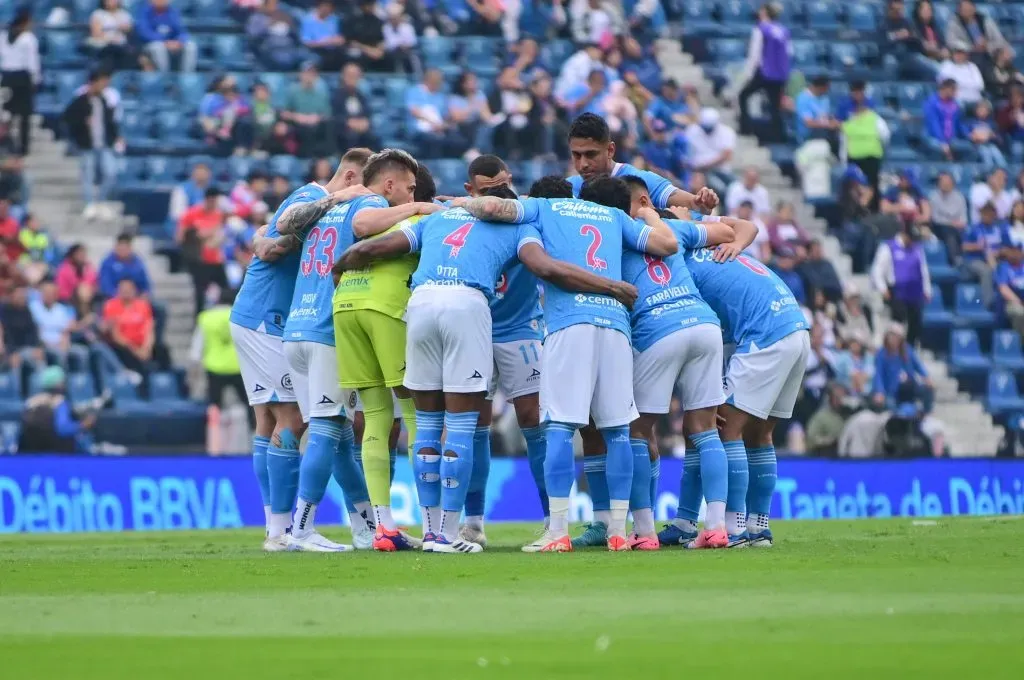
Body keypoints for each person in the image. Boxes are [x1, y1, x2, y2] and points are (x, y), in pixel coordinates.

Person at [453, 175, 678, 552]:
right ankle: (619, 533)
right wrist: (651, 214)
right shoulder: (613, 216)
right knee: (618, 431)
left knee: (558, 426)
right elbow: (665, 244)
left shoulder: (544, 207)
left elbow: (491, 207)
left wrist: (456, 204)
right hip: (616, 326)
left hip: (570, 323)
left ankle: (557, 531)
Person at [230, 149, 374, 550]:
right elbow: (271, 247)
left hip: (264, 317)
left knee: (270, 421)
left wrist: (261, 238)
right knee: (293, 419)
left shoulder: (309, 204)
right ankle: (283, 533)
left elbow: (265, 237)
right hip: (267, 319)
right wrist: (263, 242)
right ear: (349, 178)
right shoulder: (309, 198)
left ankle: (284, 528)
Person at [593, 177, 738, 549]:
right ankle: (717, 527)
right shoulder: (672, 227)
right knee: (705, 429)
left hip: (657, 329)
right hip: (703, 324)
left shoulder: (614, 237)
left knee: (639, 432)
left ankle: (644, 533)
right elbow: (724, 230)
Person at [277, 149, 399, 553]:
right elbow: (370, 229)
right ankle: (300, 529)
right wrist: (419, 207)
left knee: (342, 435)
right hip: (327, 330)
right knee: (328, 427)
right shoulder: (368, 203)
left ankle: (366, 527)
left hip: (296, 327)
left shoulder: (320, 210)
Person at [664, 227, 812, 548]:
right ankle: (759, 528)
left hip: (765, 334)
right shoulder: (709, 250)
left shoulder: (681, 268)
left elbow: (699, 328)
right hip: (795, 328)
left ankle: (732, 529)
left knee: (723, 429)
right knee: (760, 433)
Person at [327, 157, 444, 552]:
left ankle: (383, 528)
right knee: (415, 413)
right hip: (385, 307)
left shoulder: (354, 213)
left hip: (345, 305)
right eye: (410, 190)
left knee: (375, 416)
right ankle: (434, 526)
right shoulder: (416, 219)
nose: (413, 196)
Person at [443, 157, 548, 551]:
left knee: (534, 419)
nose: (497, 196)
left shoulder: (526, 217)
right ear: (471, 191)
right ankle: (473, 523)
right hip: (476, 329)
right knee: (474, 423)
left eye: (503, 185)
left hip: (521, 329)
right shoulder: (459, 219)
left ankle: (552, 521)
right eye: (488, 190)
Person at [565, 112, 718, 213]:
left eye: (591, 154)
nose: (583, 164)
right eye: (577, 155)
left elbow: (693, 204)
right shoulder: (568, 190)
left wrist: (703, 202)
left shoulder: (640, 181)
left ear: (610, 150)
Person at [191, 287, 247, 455]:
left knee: (215, 408)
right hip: (238, 367)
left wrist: (194, 369)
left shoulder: (206, 317)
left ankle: (214, 447)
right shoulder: (241, 316)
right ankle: (254, 441)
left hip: (214, 368)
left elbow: (196, 348)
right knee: (251, 407)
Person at [63, 69, 122, 221]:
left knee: (110, 172)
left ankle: (101, 202)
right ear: (93, 82)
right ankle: (89, 204)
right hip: (87, 144)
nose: (105, 85)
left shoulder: (103, 100)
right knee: (87, 174)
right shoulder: (80, 101)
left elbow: (110, 123)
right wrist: (83, 123)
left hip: (104, 144)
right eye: (102, 82)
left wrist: (117, 137)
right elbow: (67, 119)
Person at [736, 2, 791, 143]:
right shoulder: (783, 30)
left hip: (765, 72)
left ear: (765, 13)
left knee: (743, 95)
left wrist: (748, 74)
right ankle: (778, 136)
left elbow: (755, 54)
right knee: (775, 105)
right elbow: (789, 52)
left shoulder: (760, 29)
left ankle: (745, 128)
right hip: (780, 75)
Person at [871, 223, 932, 347]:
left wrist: (927, 289)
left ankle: (910, 348)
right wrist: (883, 289)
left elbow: (923, 270)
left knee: (915, 323)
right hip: (897, 291)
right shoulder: (889, 247)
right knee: (898, 324)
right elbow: (877, 270)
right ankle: (895, 348)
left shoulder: (917, 249)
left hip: (915, 291)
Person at [18, 366, 96, 453]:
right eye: (62, 382)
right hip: (56, 455)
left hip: (30, 454)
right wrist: (83, 425)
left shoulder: (30, 401)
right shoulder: (60, 402)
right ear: (58, 383)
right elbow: (62, 429)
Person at [101, 278, 169, 376]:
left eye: (129, 288)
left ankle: (166, 383)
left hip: (142, 345)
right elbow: (116, 336)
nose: (126, 291)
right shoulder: (111, 306)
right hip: (125, 346)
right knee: (129, 356)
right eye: (123, 289)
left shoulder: (143, 305)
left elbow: (149, 330)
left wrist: (147, 348)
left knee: (162, 350)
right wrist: (136, 350)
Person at [177, 187, 229, 315]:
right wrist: (202, 235)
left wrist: (207, 234)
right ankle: (198, 322)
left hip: (216, 259)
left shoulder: (219, 214)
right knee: (200, 294)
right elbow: (180, 237)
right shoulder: (192, 213)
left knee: (226, 290)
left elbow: (220, 235)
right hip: (199, 260)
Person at [0, 8, 40, 156]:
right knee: (24, 115)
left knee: (6, 114)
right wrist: (35, 80)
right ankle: (23, 147)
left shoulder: (3, 36)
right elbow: (32, 63)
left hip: (7, 77)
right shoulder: (28, 38)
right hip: (22, 77)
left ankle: (6, 143)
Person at [841, 81, 889, 199]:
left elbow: (885, 136)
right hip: (855, 159)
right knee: (855, 187)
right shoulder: (848, 123)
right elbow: (844, 143)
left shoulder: (875, 119)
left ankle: (872, 210)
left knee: (872, 186)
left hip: (871, 158)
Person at [872, 325, 933, 413]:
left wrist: (926, 377)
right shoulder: (882, 354)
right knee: (890, 406)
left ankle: (926, 414)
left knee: (927, 389)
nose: (893, 339)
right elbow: (878, 375)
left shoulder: (907, 350)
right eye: (891, 336)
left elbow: (918, 365)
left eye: (896, 336)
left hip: (909, 387)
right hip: (892, 390)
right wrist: (879, 391)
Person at [282, 61, 333, 157]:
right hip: (297, 125)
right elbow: (283, 112)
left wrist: (316, 118)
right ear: (301, 74)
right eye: (307, 73)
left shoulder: (321, 94)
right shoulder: (292, 91)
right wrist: (297, 117)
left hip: (316, 125)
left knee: (328, 127)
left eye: (313, 73)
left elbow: (327, 114)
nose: (310, 76)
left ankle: (326, 157)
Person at [961, 201, 1006, 308]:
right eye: (985, 214)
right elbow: (964, 247)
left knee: (1007, 268)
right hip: (974, 260)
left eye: (990, 214)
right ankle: (989, 303)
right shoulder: (973, 228)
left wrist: (998, 252)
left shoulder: (998, 229)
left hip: (995, 259)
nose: (987, 216)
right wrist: (977, 246)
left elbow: (1004, 247)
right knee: (986, 271)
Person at [405, 68, 457, 159]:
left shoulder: (441, 96)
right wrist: (433, 123)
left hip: (439, 129)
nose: (440, 83)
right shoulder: (414, 91)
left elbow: (446, 116)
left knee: (457, 139)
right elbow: (414, 111)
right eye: (437, 80)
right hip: (419, 131)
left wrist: (444, 125)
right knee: (433, 141)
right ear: (428, 79)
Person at [683, 108, 736, 196]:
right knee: (720, 188)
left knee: (734, 186)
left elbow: (727, 155)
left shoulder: (726, 132)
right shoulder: (692, 130)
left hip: (719, 169)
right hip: (697, 170)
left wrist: (706, 165)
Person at [945, 0, 1012, 67]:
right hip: (969, 55)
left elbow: (999, 39)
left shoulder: (985, 21)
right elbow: (951, 41)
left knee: (1005, 54)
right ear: (959, 11)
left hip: (989, 52)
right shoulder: (955, 23)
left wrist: (987, 45)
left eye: (969, 9)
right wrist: (971, 47)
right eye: (964, 10)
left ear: (974, 8)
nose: (967, 11)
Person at [136, 0, 197, 72]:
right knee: (158, 47)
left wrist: (179, 41)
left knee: (191, 46)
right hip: (150, 44)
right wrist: (165, 41)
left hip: (172, 43)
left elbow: (182, 31)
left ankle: (187, 76)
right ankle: (164, 76)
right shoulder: (144, 12)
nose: (161, 1)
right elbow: (145, 33)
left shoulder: (172, 12)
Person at [332, 63, 379, 152]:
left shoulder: (361, 96)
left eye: (355, 76)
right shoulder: (336, 96)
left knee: (373, 138)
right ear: (343, 77)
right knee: (351, 137)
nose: (352, 79)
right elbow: (335, 116)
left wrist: (365, 122)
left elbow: (367, 114)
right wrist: (349, 122)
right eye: (350, 75)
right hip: (343, 131)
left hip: (361, 130)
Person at [922, 79, 973, 161]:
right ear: (945, 88)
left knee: (971, 147)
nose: (956, 93)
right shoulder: (931, 103)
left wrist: (970, 135)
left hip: (952, 139)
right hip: (932, 137)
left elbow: (960, 124)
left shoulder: (956, 104)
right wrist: (942, 142)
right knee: (939, 148)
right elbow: (934, 124)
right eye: (953, 89)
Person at [928, 171, 969, 259]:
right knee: (950, 232)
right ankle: (955, 259)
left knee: (960, 232)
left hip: (957, 228)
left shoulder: (959, 197)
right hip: (939, 228)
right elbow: (935, 219)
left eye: (947, 182)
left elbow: (963, 219)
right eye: (942, 182)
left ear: (952, 184)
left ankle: (965, 260)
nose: (944, 184)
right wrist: (951, 224)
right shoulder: (933, 197)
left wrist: (958, 224)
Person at [98, 234, 151, 301]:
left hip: (136, 299)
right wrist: (120, 296)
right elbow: (106, 285)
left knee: (159, 308)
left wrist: (145, 294)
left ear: (130, 248)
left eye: (125, 248)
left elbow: (145, 284)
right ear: (116, 247)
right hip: (114, 299)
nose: (123, 251)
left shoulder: (138, 263)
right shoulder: (108, 263)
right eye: (121, 248)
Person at [794, 76, 839, 148]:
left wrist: (834, 121)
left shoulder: (825, 98)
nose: (827, 91)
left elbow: (826, 116)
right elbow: (809, 123)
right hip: (808, 135)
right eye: (826, 89)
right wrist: (828, 124)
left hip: (824, 131)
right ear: (820, 88)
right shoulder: (803, 99)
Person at [88, 0, 134, 69]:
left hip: (122, 45)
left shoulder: (124, 14)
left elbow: (129, 30)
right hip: (103, 45)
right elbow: (96, 33)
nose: (112, 2)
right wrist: (109, 39)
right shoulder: (98, 14)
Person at [344, 0, 388, 72]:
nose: (370, 7)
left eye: (372, 4)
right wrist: (368, 50)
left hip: (375, 52)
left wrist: (378, 51)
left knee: (386, 57)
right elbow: (351, 42)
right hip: (358, 51)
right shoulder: (353, 20)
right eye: (368, 4)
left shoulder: (379, 22)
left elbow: (381, 41)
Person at [301, 0, 345, 71]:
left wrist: (339, 40)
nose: (326, 9)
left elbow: (340, 38)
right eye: (324, 6)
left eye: (328, 7)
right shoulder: (308, 20)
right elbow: (306, 42)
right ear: (318, 6)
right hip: (315, 50)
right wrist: (325, 42)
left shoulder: (335, 19)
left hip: (333, 50)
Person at [962, 99, 1006, 170]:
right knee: (985, 151)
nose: (981, 111)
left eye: (984, 109)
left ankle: (1004, 170)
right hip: (976, 146)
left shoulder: (992, 124)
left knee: (995, 151)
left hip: (990, 145)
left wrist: (991, 135)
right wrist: (975, 136)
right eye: (980, 108)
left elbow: (999, 138)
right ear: (976, 110)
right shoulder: (970, 122)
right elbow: (967, 135)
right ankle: (989, 172)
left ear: (988, 111)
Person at [995, 243, 1024, 337]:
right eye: (1012, 251)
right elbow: (1003, 288)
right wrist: (1018, 301)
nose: (1015, 254)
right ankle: (1020, 345)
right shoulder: (1004, 267)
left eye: (1017, 251)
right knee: (1020, 313)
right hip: (1010, 302)